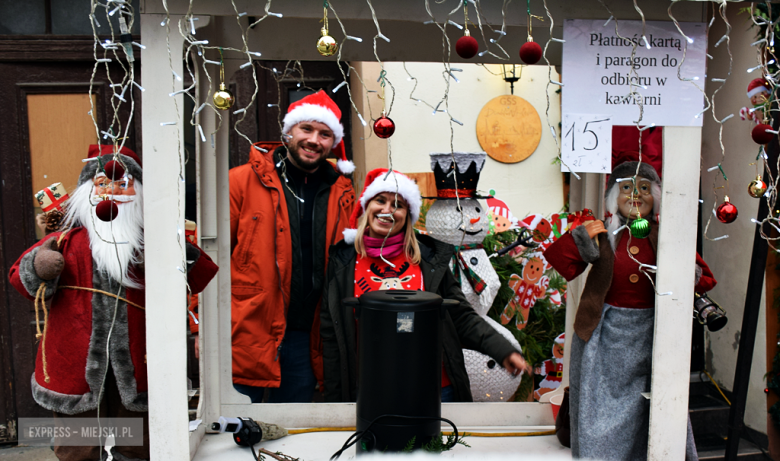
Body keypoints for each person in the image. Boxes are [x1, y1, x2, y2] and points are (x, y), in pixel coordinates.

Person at [8, 144, 219, 461]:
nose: (112, 192)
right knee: (79, 450)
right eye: (102, 183)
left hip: (139, 363)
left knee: (137, 446)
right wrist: (40, 267)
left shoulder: (153, 242)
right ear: (87, 191)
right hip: (74, 364)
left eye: (123, 184)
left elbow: (200, 275)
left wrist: (176, 252)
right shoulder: (66, 241)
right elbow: (21, 280)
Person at [543, 161, 716, 460]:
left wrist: (684, 269)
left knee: (649, 408)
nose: (636, 195)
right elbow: (563, 264)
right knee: (598, 409)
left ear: (656, 196)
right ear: (613, 195)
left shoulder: (665, 236)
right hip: (602, 336)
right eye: (627, 187)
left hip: (652, 334)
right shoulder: (604, 234)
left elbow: (705, 279)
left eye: (644, 188)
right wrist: (581, 237)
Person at [321, 168, 529, 403]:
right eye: (380, 200)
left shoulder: (429, 259)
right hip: (372, 389)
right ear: (367, 206)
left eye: (398, 205)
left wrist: (502, 350)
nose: (387, 210)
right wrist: (334, 401)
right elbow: (332, 336)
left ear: (407, 214)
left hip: (435, 389)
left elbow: (461, 316)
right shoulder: (343, 262)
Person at [227, 90, 355, 403]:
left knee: (291, 425)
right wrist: (199, 326)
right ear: (288, 132)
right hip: (246, 329)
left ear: (333, 142)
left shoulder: (343, 192)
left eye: (324, 134)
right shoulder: (240, 182)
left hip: (306, 336)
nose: (314, 140)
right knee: (237, 423)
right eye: (306, 129)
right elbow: (206, 259)